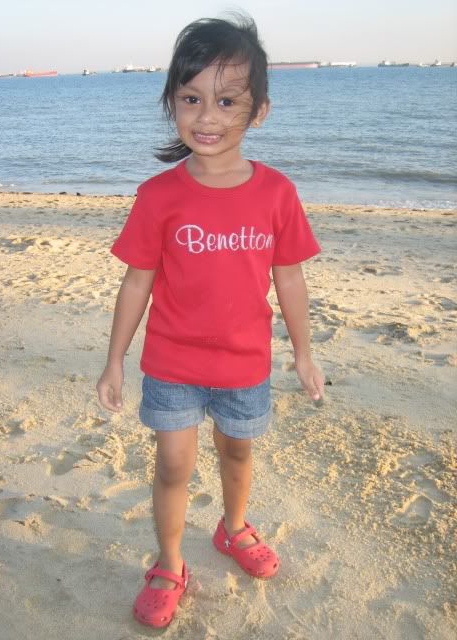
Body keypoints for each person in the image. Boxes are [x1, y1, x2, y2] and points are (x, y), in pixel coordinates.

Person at [96, 14, 324, 629]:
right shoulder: (158, 196)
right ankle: (170, 562)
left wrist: (304, 354)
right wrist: (114, 360)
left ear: (259, 111)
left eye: (227, 101)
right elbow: (136, 281)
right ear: (172, 102)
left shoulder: (277, 193)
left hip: (245, 363)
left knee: (237, 454)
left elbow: (290, 279)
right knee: (173, 464)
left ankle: (233, 527)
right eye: (191, 98)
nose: (207, 116)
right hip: (172, 362)